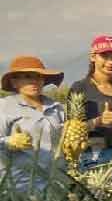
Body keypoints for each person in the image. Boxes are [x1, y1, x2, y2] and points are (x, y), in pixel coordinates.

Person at [67, 35, 112, 183]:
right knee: (101, 200)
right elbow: (71, 130)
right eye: (104, 56)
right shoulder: (80, 88)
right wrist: (98, 121)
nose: (110, 62)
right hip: (94, 155)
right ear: (93, 57)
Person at [0, 56, 65, 191]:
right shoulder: (4, 106)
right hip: (20, 185)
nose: (34, 81)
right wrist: (8, 141)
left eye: (39, 76)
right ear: (14, 82)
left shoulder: (56, 107)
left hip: (56, 184)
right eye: (28, 77)